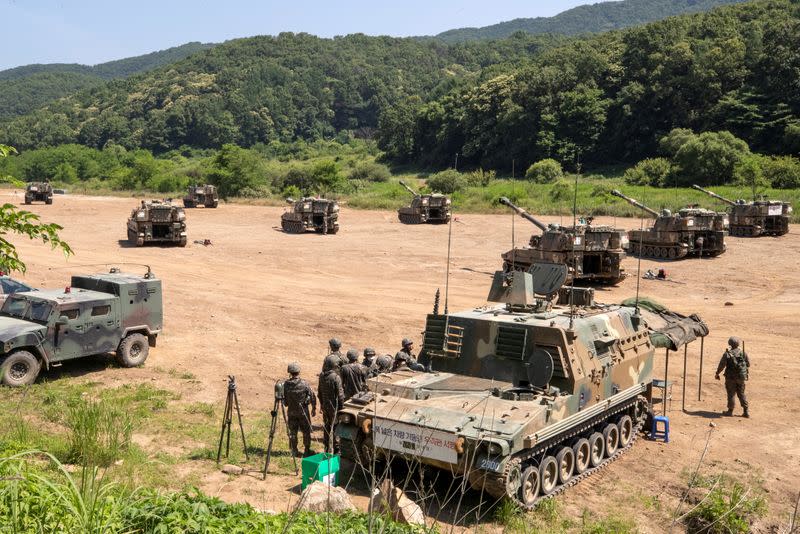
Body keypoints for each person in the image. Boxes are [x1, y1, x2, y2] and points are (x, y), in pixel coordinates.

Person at [283, 362, 316, 458]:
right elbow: (312, 396)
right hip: (303, 413)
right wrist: (313, 408)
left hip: (291, 412)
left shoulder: (286, 384)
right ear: (298, 372)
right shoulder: (304, 383)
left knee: (293, 432)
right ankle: (307, 450)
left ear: (289, 372)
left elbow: (285, 402)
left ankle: (294, 450)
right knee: (306, 432)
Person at [715, 336, 750, 417]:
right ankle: (746, 411)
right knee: (741, 393)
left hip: (730, 377)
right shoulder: (743, 353)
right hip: (741, 377)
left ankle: (730, 411)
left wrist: (717, 373)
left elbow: (721, 365)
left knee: (731, 394)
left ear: (730, 344)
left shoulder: (727, 354)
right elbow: (748, 364)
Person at [318, 354, 345, 453]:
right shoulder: (336, 378)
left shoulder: (321, 376)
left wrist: (322, 404)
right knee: (336, 428)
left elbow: (319, 392)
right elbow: (340, 395)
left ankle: (326, 447)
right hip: (335, 408)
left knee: (327, 426)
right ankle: (337, 449)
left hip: (325, 406)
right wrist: (342, 408)